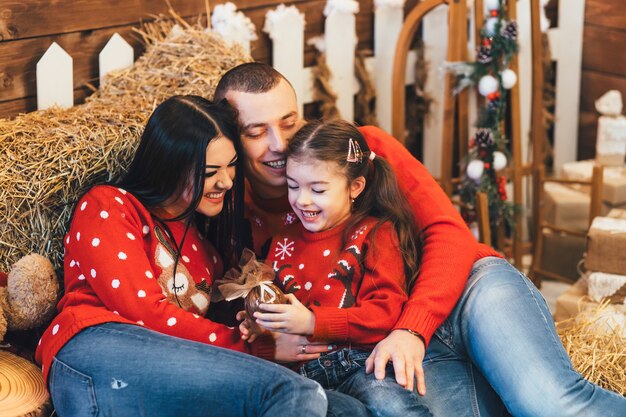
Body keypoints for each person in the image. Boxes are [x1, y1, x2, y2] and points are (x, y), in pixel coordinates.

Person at [214, 63, 626, 417]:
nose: (280, 144)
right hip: (382, 345)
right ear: (231, 138)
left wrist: (412, 327)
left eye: (289, 122)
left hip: (465, 292)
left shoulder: (356, 151)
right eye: (256, 131)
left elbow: (448, 233)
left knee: (547, 404)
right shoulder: (227, 207)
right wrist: (268, 342)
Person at [35, 95, 334, 417]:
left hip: (165, 364)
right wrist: (258, 347)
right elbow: (145, 313)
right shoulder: (110, 206)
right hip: (95, 351)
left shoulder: (206, 250)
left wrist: (259, 325)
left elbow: (200, 335)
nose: (227, 181)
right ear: (169, 167)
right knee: (292, 393)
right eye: (210, 171)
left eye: (232, 166)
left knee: (342, 408)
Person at [243, 119, 431, 416]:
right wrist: (258, 324)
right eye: (292, 186)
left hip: (360, 366)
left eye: (317, 190)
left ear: (354, 187)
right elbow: (270, 310)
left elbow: (385, 314)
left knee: (392, 406)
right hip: (297, 375)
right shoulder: (281, 241)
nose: (302, 200)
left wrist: (311, 322)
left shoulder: (374, 233)